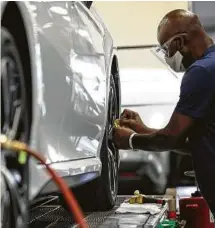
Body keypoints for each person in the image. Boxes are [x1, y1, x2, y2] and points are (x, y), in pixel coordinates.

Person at [114, 9, 215, 215]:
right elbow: (197, 142)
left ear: (179, 43)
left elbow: (170, 138)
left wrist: (131, 141)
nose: (168, 57)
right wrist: (144, 130)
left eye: (166, 50)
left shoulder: (201, 72)